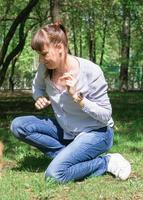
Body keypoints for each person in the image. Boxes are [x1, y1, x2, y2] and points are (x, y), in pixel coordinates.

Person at [10, 22, 131, 183]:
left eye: (44, 54)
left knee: (54, 175)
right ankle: (69, 156)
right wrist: (38, 97)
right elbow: (36, 87)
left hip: (96, 132)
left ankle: (106, 162)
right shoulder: (45, 68)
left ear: (60, 47)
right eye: (39, 54)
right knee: (18, 126)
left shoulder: (91, 71)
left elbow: (105, 115)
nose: (41, 59)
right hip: (66, 130)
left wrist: (78, 97)